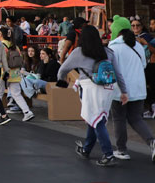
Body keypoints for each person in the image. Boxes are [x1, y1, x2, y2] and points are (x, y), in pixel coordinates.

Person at [57, 24, 126, 166]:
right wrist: (124, 91)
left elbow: (63, 69)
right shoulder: (108, 51)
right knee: (94, 118)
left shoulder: (78, 52)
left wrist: (61, 80)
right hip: (108, 88)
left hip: (90, 89)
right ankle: (86, 149)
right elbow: (118, 74)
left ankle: (108, 154)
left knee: (96, 120)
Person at [106, 16, 155, 161]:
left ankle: (121, 150)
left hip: (121, 91)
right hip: (138, 88)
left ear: (116, 30)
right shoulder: (138, 45)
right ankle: (152, 142)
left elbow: (111, 69)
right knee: (136, 118)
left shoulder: (113, 47)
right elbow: (144, 65)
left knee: (119, 118)